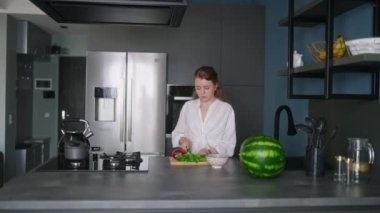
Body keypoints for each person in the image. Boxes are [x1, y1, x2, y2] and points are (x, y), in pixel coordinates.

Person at [171, 66, 236, 157]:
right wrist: (182, 139)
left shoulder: (226, 110)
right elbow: (177, 133)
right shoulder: (188, 107)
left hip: (215, 165)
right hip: (191, 163)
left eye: (206, 88)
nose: (202, 92)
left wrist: (210, 151)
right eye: (198, 88)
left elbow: (229, 144)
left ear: (215, 86)